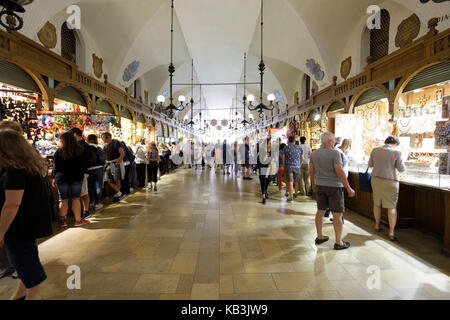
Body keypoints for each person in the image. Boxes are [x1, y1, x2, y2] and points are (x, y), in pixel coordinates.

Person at [0, 129, 53, 300]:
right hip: (29, 222)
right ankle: (22, 293)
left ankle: (32, 296)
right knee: (25, 259)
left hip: (19, 225)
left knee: (24, 259)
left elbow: (12, 204)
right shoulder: (30, 167)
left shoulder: (14, 171)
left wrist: (0, 231)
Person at [310, 132, 355, 250]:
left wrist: (313, 184)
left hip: (320, 185)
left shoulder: (314, 154)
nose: (334, 142)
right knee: (337, 214)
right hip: (334, 186)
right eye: (333, 140)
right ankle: (339, 242)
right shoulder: (335, 153)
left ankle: (320, 236)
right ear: (330, 141)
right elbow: (339, 171)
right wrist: (349, 188)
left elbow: (311, 171)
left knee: (320, 211)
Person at [369, 136, 406, 241]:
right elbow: (401, 169)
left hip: (375, 180)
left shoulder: (375, 150)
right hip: (390, 181)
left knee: (377, 204)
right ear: (395, 143)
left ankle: (377, 225)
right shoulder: (397, 152)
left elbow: (370, 164)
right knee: (391, 207)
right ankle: (391, 232)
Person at [53, 132, 90, 227]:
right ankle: (78, 220)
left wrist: (54, 177)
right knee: (76, 198)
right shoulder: (81, 150)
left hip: (61, 178)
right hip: (77, 177)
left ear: (62, 140)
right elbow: (85, 164)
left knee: (63, 199)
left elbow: (56, 167)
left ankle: (63, 221)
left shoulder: (59, 151)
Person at [70, 128, 91, 220]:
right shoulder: (80, 145)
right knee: (81, 193)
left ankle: (86, 211)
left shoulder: (83, 145)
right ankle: (83, 210)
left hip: (82, 172)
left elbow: (86, 160)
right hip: (79, 172)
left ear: (75, 134)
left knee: (84, 192)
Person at [101, 132, 125, 203]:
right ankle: (119, 193)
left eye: (103, 137)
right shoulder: (105, 146)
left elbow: (122, 154)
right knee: (109, 180)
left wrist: (118, 162)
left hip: (116, 164)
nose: (102, 139)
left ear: (107, 137)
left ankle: (116, 196)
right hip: (109, 164)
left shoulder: (116, 143)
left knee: (117, 180)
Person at [282, 136, 304, 202]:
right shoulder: (299, 148)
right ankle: (296, 193)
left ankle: (291, 197)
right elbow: (302, 158)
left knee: (290, 182)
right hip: (297, 167)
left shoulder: (286, 148)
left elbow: (283, 157)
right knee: (296, 181)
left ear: (288, 141)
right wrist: (299, 164)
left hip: (288, 167)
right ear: (294, 140)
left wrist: (284, 165)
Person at [86, 134, 105, 211]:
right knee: (98, 186)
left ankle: (90, 202)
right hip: (98, 169)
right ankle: (97, 203)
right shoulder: (98, 148)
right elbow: (102, 160)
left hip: (88, 169)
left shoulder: (85, 148)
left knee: (90, 187)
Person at [257, 138, 274, 205]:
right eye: (269, 143)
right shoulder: (262, 151)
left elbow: (271, 158)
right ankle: (263, 197)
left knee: (267, 181)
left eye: (270, 143)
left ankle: (265, 191)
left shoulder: (270, 151)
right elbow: (261, 161)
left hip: (268, 168)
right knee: (263, 182)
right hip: (263, 168)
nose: (270, 145)